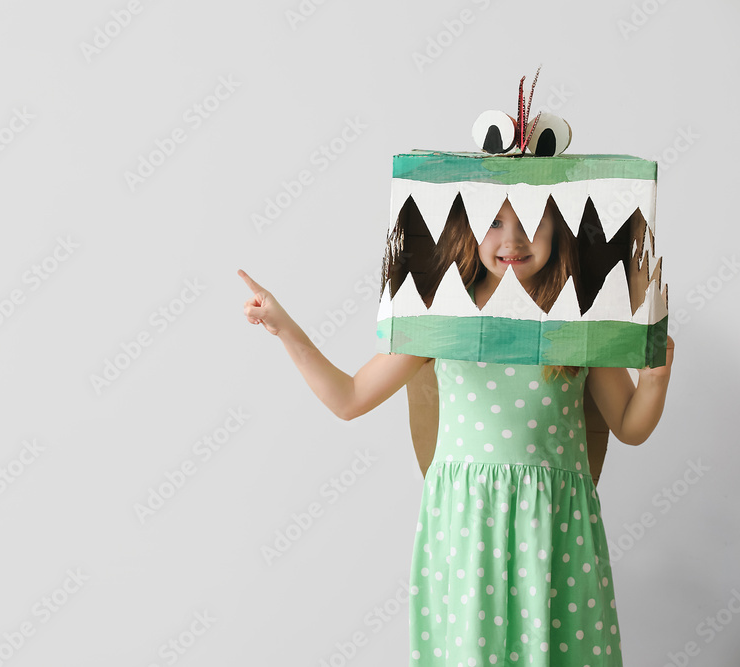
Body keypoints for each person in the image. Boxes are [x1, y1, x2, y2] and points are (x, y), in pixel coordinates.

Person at [237, 195, 674, 665]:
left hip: (555, 526)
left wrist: (654, 380)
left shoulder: (580, 320)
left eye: (532, 222)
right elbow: (349, 398)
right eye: (494, 221)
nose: (512, 239)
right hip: (469, 526)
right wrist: (285, 328)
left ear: (558, 227)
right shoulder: (444, 317)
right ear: (467, 227)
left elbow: (629, 426)